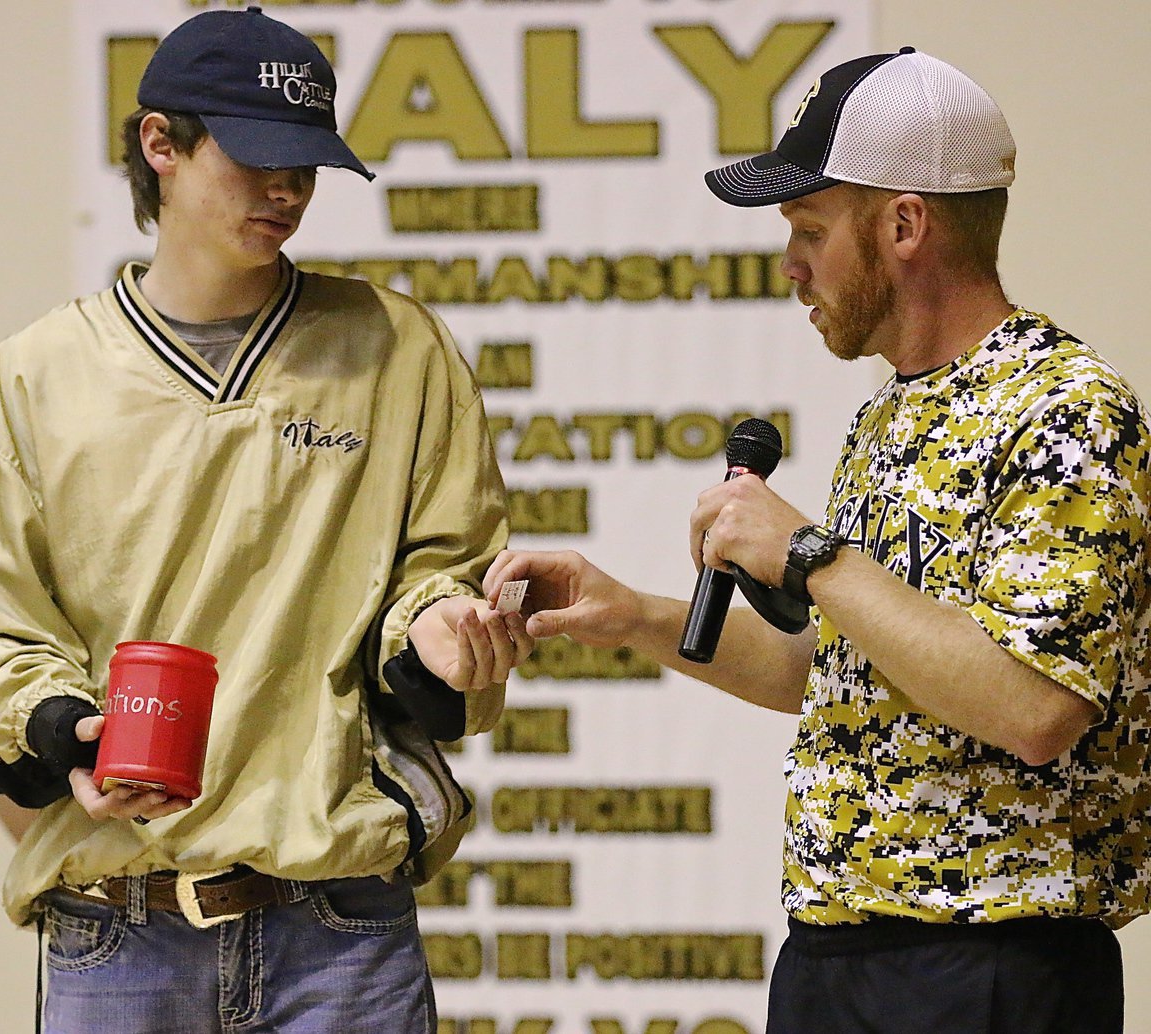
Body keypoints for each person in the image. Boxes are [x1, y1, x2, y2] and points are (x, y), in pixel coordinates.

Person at [485, 46, 1151, 1034]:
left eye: (809, 230)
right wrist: (635, 615)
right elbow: (849, 673)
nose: (790, 262)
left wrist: (811, 551)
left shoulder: (1064, 413)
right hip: (838, 955)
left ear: (906, 225)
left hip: (989, 964)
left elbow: (1034, 704)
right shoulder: (889, 417)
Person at [0, 7, 532, 1033]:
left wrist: (441, 632)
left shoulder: (398, 349)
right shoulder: (40, 373)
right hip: (115, 929)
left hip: (341, 931)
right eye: (260, 157)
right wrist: (60, 730)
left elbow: (440, 569)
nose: (289, 191)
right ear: (159, 144)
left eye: (307, 165)